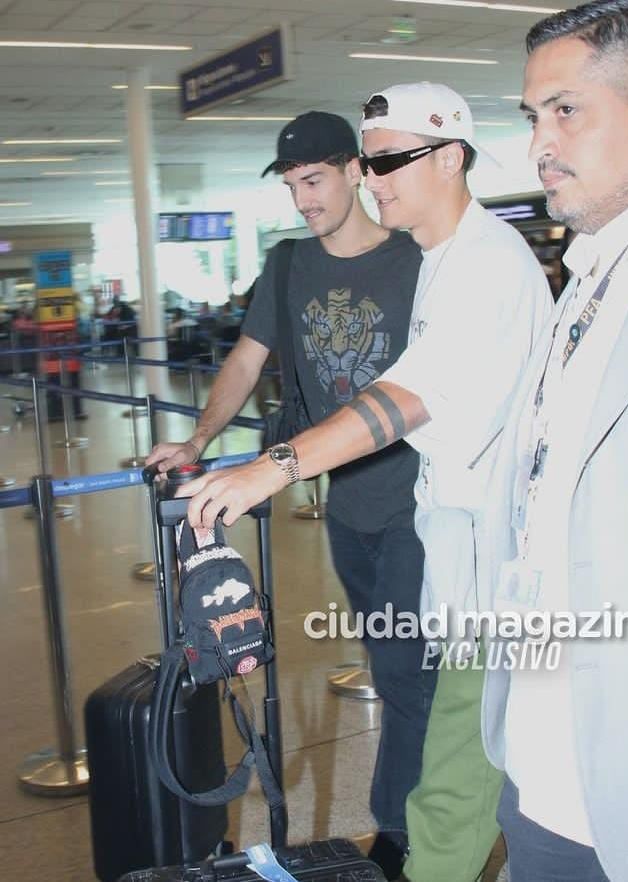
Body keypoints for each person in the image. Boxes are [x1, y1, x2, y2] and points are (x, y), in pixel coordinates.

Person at [174, 84, 552, 882]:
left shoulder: (479, 263)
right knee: (446, 722)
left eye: (386, 163)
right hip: (444, 535)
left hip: (490, 559)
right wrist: (209, 443)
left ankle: (417, 849)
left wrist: (269, 469)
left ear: (450, 158)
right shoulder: (445, 260)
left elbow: (407, 397)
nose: (375, 182)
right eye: (372, 163)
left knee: (452, 754)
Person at [146, 110, 431, 879]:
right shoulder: (288, 266)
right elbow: (246, 359)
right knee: (387, 655)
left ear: (354, 173)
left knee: (406, 668)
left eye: (314, 181)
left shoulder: (419, 260)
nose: (303, 200)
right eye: (292, 185)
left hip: (421, 497)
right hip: (347, 503)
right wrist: (198, 441)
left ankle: (402, 833)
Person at [474, 2, 628, 880]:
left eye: (566, 110)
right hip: (542, 762)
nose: (539, 142)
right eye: (533, 116)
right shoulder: (584, 272)